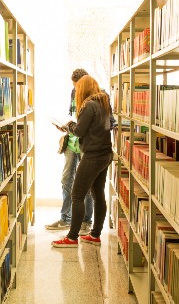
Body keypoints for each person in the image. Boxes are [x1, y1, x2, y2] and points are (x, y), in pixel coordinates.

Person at [51, 75, 114, 247]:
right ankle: (95, 234)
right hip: (105, 154)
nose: (76, 91)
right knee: (98, 195)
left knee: (77, 195)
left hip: (93, 155)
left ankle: (71, 238)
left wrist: (69, 125)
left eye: (78, 88)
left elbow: (79, 131)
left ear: (83, 88)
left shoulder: (88, 105)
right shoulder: (103, 103)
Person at [45, 68, 94, 235]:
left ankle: (86, 221)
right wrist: (65, 127)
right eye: (74, 87)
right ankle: (65, 218)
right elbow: (74, 117)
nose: (75, 89)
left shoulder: (94, 97)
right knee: (66, 180)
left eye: (77, 86)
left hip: (85, 146)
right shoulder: (74, 93)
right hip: (71, 143)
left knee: (86, 184)